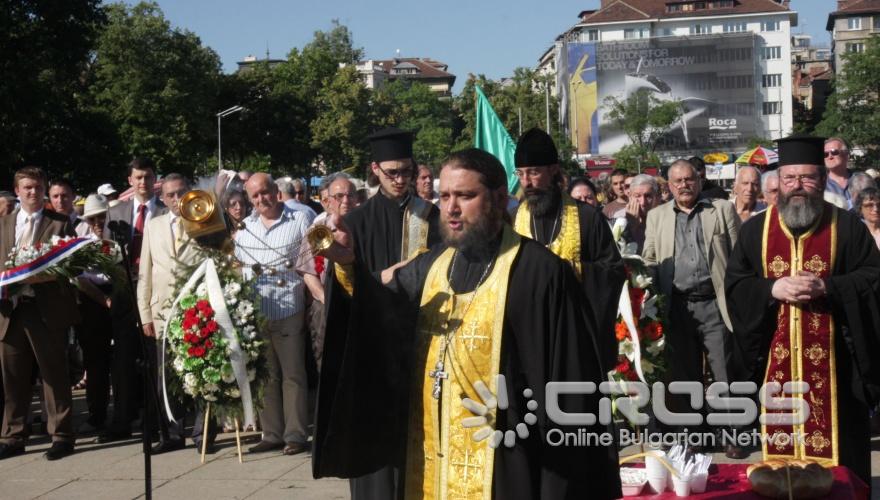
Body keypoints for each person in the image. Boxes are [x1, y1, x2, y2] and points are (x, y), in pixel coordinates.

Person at [315, 148, 621, 499]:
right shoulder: (432, 265)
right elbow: (381, 313)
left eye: (465, 195)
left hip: (507, 460)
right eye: (445, 196)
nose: (451, 208)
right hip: (430, 458)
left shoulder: (541, 273)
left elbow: (571, 384)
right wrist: (348, 266)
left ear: (499, 198)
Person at [725, 135, 880, 484]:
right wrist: (771, 288)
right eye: (789, 178)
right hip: (775, 365)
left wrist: (828, 287)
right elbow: (736, 285)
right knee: (780, 472)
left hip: (838, 369)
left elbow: (873, 278)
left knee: (843, 472)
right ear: (778, 182)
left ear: (822, 180)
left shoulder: (847, 228)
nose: (797, 186)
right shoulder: (755, 231)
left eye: (807, 177)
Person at [314, 127, 441, 499]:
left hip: (422, 345)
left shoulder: (432, 219)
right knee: (376, 467)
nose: (401, 180)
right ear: (375, 170)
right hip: (373, 353)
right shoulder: (356, 223)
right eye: (392, 173)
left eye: (407, 171)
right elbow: (343, 296)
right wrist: (353, 269)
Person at [642, 159, 743, 458]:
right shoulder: (657, 216)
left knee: (723, 372)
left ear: (699, 181)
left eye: (689, 179)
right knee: (684, 375)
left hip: (715, 304)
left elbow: (739, 256)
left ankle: (731, 434)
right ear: (669, 186)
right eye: (678, 181)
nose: (684, 185)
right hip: (677, 307)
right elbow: (649, 259)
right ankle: (693, 434)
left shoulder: (721, 209)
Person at [512, 128, 625, 370]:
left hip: (575, 335)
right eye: (520, 173)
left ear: (553, 170)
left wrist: (567, 270)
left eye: (534, 172)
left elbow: (613, 271)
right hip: (527, 337)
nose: (526, 182)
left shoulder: (587, 217)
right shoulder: (512, 221)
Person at [0, 167, 80, 461]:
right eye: (27, 187)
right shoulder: (3, 223)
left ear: (44, 190)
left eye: (37, 187)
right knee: (12, 376)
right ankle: (13, 435)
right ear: (17, 191)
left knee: (53, 374)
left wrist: (42, 276)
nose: (33, 192)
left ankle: (61, 435)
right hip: (10, 310)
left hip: (45, 310)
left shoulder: (60, 223)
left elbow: (74, 266)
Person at [136, 174, 216, 454]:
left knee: (202, 372)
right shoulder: (153, 225)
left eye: (181, 192)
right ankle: (171, 433)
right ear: (162, 197)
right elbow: (145, 273)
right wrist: (145, 314)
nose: (176, 198)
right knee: (167, 377)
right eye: (170, 194)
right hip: (162, 312)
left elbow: (217, 262)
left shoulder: (204, 221)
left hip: (197, 310)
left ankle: (203, 434)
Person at [235, 173, 311, 456]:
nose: (261, 199)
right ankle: (271, 433)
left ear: (275, 191)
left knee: (293, 375)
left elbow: (310, 263)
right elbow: (239, 268)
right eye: (254, 196)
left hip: (290, 308)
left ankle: (295, 434)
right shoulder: (245, 228)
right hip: (257, 313)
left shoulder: (299, 219)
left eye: (264, 192)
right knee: (265, 375)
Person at [98, 157, 166, 444]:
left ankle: (155, 421)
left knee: (154, 357)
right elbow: (104, 253)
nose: (143, 182)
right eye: (138, 177)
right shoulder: (116, 211)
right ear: (130, 180)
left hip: (154, 291)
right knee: (123, 358)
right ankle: (122, 420)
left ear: (155, 179)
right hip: (125, 290)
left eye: (148, 177)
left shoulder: (164, 211)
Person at [297, 173, 357, 372]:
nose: (345, 201)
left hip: (359, 304)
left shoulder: (365, 225)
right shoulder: (317, 230)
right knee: (327, 360)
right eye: (339, 196)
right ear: (328, 201)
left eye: (350, 195)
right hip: (325, 305)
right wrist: (326, 298)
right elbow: (307, 272)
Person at [73, 194, 114, 434]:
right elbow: (79, 278)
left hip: (117, 294)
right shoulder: (81, 242)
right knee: (95, 361)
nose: (98, 223)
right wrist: (103, 300)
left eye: (101, 217)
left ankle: (127, 412)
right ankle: (96, 415)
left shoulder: (117, 237)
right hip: (91, 300)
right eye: (92, 219)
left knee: (122, 360)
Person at [618, 174, 658, 254]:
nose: (643, 202)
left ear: (655, 197)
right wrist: (631, 227)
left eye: (648, 196)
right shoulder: (619, 221)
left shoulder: (663, 220)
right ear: (630, 196)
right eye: (638, 196)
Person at [823, 137, 853, 209]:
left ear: (846, 155)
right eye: (825, 154)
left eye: (834, 152)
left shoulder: (862, 179)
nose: (830, 156)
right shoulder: (820, 185)